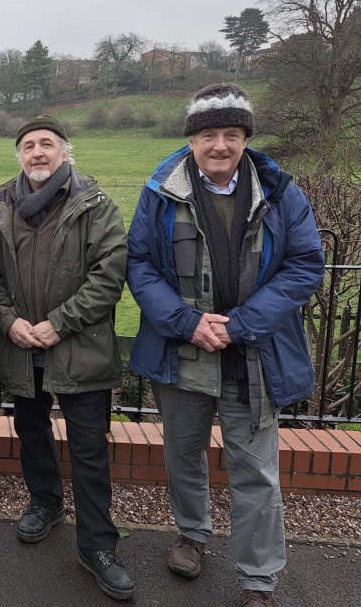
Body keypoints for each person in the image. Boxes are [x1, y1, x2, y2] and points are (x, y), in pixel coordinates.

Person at [127, 84, 324, 607]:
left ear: (245, 139)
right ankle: (193, 535)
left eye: (231, 134)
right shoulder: (159, 191)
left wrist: (239, 325)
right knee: (182, 456)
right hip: (182, 350)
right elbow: (140, 265)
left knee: (255, 470)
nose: (220, 145)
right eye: (209, 134)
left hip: (252, 355)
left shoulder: (281, 190)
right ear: (192, 140)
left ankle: (258, 580)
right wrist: (186, 323)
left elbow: (305, 264)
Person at [0, 115, 134, 600]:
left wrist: (59, 323)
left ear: (65, 152)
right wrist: (9, 322)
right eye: (28, 145)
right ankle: (45, 504)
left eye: (47, 143)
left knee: (89, 452)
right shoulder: (0, 207)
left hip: (79, 351)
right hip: (21, 348)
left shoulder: (96, 205)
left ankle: (97, 546)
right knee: (32, 434)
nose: (37, 152)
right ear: (20, 156)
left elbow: (108, 277)